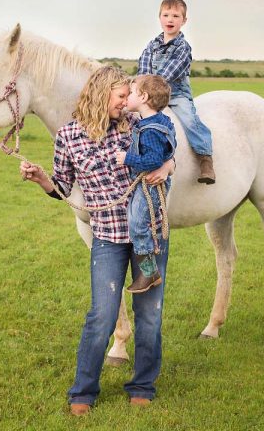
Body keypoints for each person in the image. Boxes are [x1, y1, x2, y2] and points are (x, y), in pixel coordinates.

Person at [20, 66, 174, 416]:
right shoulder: (69, 136)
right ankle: (83, 390)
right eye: (121, 97)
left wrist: (169, 166)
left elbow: (164, 149)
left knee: (149, 316)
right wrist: (41, 179)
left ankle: (142, 384)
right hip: (107, 236)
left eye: (127, 96)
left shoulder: (135, 126)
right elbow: (61, 188)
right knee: (101, 316)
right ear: (102, 94)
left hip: (148, 235)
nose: (126, 103)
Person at [138, 0, 215, 184]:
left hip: (176, 95)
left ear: (184, 20)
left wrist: (149, 86)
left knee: (190, 121)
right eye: (166, 15)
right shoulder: (152, 45)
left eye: (175, 15)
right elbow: (144, 69)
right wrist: (141, 88)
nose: (170, 19)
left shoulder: (183, 48)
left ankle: (205, 158)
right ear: (160, 18)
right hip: (150, 93)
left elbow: (167, 74)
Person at [115, 74, 176, 294]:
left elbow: (153, 161)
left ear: (143, 96)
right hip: (146, 183)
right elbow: (172, 141)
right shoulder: (161, 121)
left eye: (130, 92)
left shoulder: (149, 130)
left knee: (137, 225)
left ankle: (149, 272)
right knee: (137, 220)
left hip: (147, 184)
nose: (127, 97)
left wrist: (127, 158)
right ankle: (149, 271)